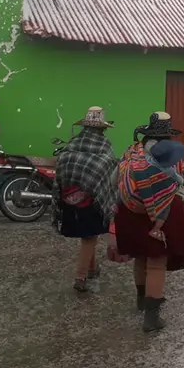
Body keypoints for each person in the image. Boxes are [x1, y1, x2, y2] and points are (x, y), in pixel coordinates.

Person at [110, 112, 184, 332]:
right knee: (157, 261)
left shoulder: (131, 153)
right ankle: (151, 316)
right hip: (164, 213)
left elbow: (114, 180)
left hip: (131, 211)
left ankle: (141, 299)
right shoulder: (175, 152)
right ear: (168, 132)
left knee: (140, 256)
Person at [54, 107, 119, 293]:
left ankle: (92, 268)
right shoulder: (104, 145)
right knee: (89, 237)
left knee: (89, 234)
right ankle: (80, 276)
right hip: (92, 199)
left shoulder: (74, 142)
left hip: (69, 196)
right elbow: (107, 167)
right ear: (102, 129)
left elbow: (63, 162)